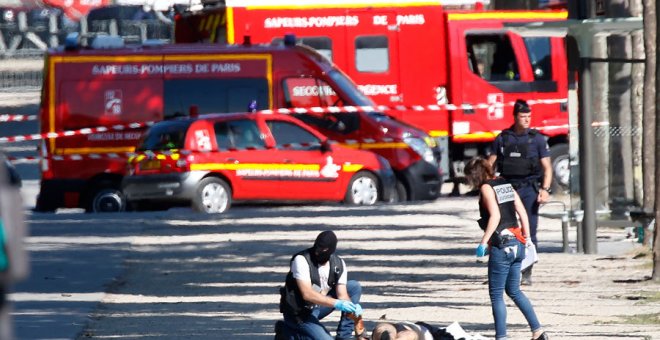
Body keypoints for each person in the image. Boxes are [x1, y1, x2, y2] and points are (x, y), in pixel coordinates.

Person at [464, 157, 548, 340]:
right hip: (517, 242)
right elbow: (521, 211)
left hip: (502, 245)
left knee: (496, 295)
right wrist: (526, 237)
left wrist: (483, 242)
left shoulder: (486, 188)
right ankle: (538, 331)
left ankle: (501, 337)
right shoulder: (505, 184)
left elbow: (494, 216)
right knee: (514, 290)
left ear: (474, 175)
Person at [487, 99, 552, 285]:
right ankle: (504, 269)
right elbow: (490, 164)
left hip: (528, 188)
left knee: (529, 228)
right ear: (515, 117)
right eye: (523, 117)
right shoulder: (503, 138)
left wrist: (545, 190)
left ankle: (526, 271)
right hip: (507, 188)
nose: (526, 120)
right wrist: (488, 187)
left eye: (529, 117)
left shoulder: (537, 139)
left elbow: (547, 167)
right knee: (502, 228)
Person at [276, 230, 365, 340]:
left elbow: (342, 294)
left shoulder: (338, 264)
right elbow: (307, 294)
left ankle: (344, 337)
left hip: (318, 306)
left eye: (323, 249)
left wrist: (352, 308)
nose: (318, 251)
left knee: (353, 287)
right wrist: (337, 303)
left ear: (331, 249)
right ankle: (286, 332)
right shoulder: (301, 260)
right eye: (317, 246)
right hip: (299, 313)